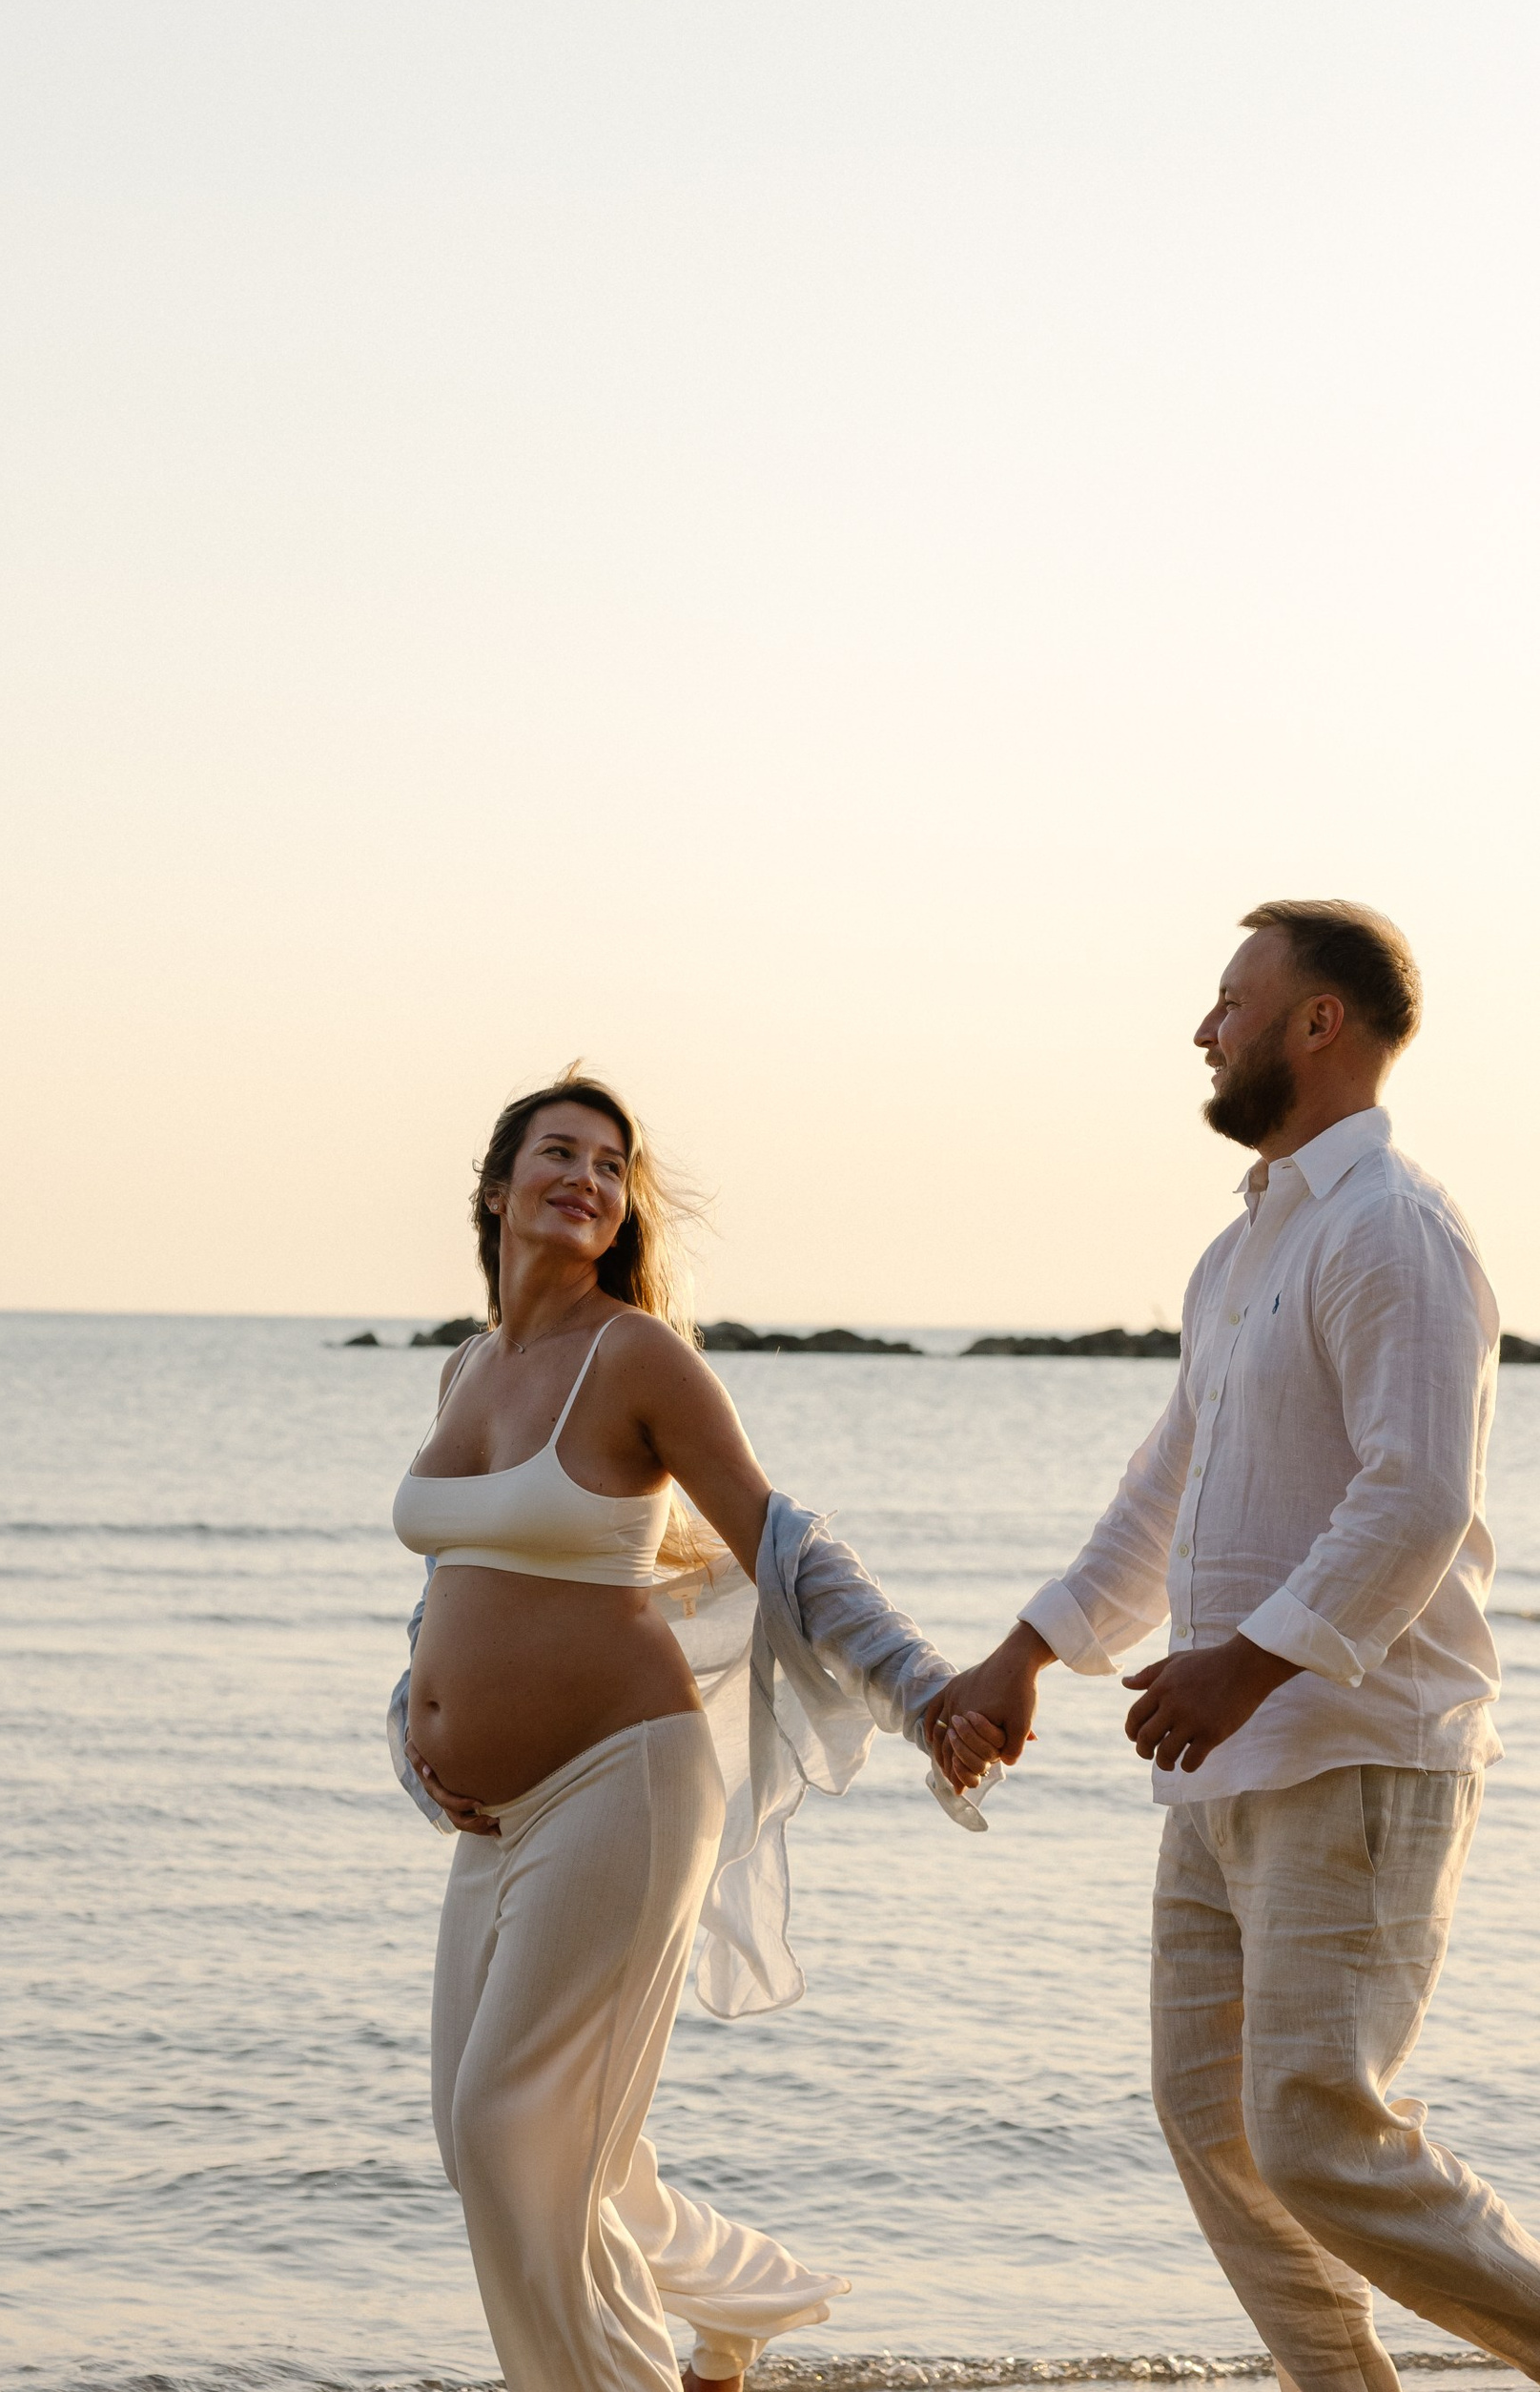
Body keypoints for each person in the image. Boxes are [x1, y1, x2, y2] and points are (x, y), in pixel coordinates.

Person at [931, 900, 1540, 2392]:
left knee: (1314, 2127)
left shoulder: (1395, 1227)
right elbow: (1170, 1483)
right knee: (1213, 2121)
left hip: (1353, 1749)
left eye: (1229, 998)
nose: (1204, 1029)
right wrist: (1029, 1648)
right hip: (1224, 1768)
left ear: (1316, 1022)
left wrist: (1246, 1663)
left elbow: (1416, 1498)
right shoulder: (1239, 1251)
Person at [392, 1068, 999, 2392]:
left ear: (621, 1211)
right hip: (495, 1818)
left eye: (612, 1166)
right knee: (499, 2140)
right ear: (497, 1186)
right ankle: (748, 2295)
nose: (589, 1179)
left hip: (629, 1778)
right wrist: (412, 1722)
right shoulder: (465, 1365)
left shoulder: (639, 1357)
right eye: (560, 1152)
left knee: (512, 2137)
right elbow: (453, 1583)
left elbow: (779, 1538)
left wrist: (924, 1690)